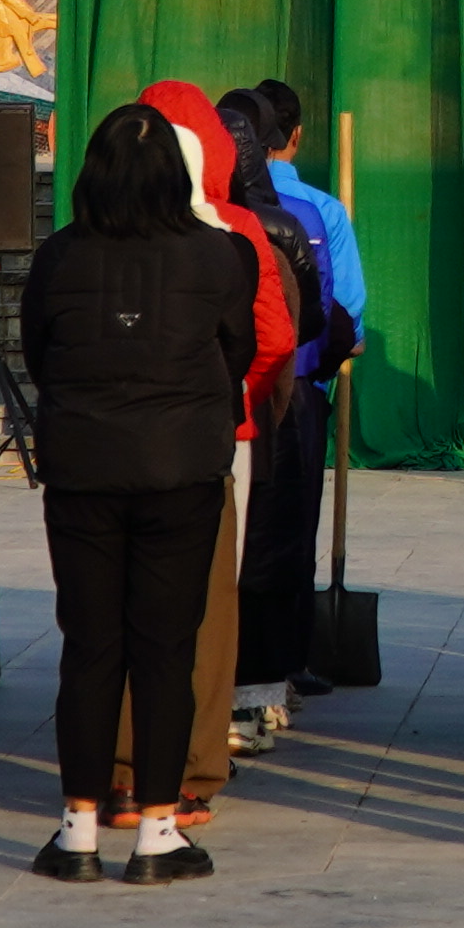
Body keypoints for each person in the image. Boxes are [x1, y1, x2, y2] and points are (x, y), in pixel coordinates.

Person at [14, 100, 259, 883]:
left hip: (82, 467)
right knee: (165, 648)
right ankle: (158, 829)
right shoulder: (219, 256)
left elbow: (39, 353)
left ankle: (78, 828)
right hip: (180, 469)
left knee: (89, 647)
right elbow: (237, 353)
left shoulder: (59, 257)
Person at [136, 84, 293, 821]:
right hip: (216, 439)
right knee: (207, 604)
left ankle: (119, 765)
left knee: (121, 608)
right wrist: (234, 401)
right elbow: (273, 338)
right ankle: (193, 765)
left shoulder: (90, 231)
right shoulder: (238, 230)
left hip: (116, 443)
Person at [230, 78, 365, 737]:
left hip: (218, 403)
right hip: (291, 394)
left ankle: (236, 675)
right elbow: (341, 316)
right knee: (284, 534)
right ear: (295, 136)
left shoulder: (198, 211)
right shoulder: (314, 214)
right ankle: (278, 668)